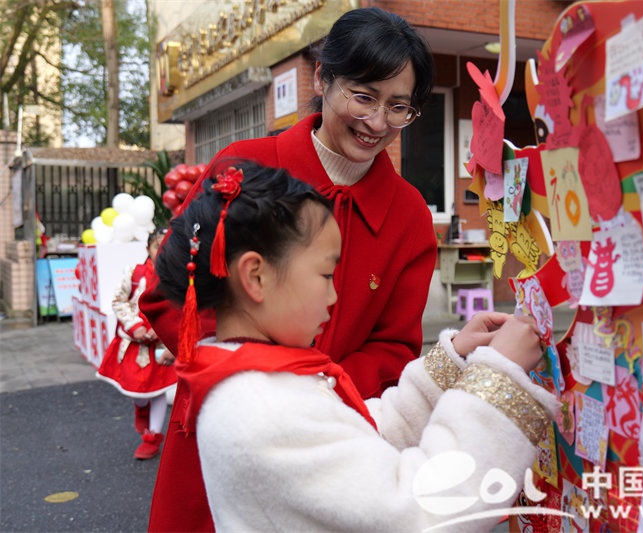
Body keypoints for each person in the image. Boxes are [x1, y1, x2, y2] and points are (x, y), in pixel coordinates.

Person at [142, 8, 438, 530]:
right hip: (226, 438)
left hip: (334, 440)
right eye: (364, 97)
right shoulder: (244, 166)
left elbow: (395, 347)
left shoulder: (410, 214)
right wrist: (250, 377)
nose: (377, 123)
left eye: (398, 108)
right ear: (322, 77)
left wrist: (314, 394)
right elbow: (169, 293)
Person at [154, 161, 559, 532]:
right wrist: (496, 380)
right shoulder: (263, 408)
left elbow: (352, 436)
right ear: (256, 276)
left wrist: (450, 368)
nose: (332, 296)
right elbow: (421, 512)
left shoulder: (254, 381)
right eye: (326, 274)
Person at [95, 228, 176, 460]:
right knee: (138, 390)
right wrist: (135, 327)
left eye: (166, 247)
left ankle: (152, 437)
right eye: (156, 247)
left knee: (159, 390)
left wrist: (159, 329)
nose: (161, 252)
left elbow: (177, 307)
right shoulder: (134, 273)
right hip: (134, 343)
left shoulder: (176, 275)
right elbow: (119, 301)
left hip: (161, 344)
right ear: (147, 249)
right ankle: (141, 407)